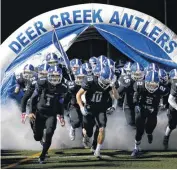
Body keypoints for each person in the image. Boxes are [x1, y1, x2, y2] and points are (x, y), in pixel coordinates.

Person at [76, 66, 119, 157]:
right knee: (89, 132)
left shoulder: (110, 84)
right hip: (89, 108)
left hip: (101, 109)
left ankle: (97, 150)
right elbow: (78, 95)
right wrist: (81, 107)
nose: (106, 83)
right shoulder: (91, 80)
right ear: (99, 76)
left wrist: (113, 88)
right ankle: (86, 136)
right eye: (105, 80)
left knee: (102, 128)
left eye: (109, 81)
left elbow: (116, 97)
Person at [29, 65, 68, 164]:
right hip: (40, 113)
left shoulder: (62, 87)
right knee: (37, 136)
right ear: (48, 75)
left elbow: (60, 103)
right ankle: (35, 130)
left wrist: (61, 116)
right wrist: (31, 112)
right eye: (53, 76)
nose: (55, 78)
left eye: (57, 76)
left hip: (51, 114)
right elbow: (33, 98)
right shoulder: (42, 83)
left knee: (49, 134)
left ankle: (42, 156)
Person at [131, 70, 169, 157]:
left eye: (154, 85)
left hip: (153, 109)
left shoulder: (162, 89)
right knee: (139, 130)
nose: (152, 87)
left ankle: (149, 133)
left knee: (150, 127)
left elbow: (166, 94)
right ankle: (136, 148)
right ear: (146, 81)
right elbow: (135, 96)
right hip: (141, 108)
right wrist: (136, 103)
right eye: (150, 84)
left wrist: (163, 103)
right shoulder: (139, 85)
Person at [118, 62, 144, 127]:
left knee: (141, 124)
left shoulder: (146, 80)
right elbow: (118, 92)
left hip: (141, 105)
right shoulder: (128, 81)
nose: (138, 77)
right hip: (129, 106)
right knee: (131, 124)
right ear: (131, 73)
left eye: (140, 74)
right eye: (136, 74)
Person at [67, 67, 88, 141]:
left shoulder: (90, 84)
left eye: (83, 78)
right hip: (75, 105)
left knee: (87, 124)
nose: (81, 80)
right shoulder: (72, 85)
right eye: (79, 77)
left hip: (86, 106)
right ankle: (72, 128)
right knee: (76, 122)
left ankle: (85, 138)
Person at [163, 68, 177, 149]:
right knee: (172, 125)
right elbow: (170, 99)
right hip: (173, 105)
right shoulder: (173, 84)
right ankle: (166, 137)